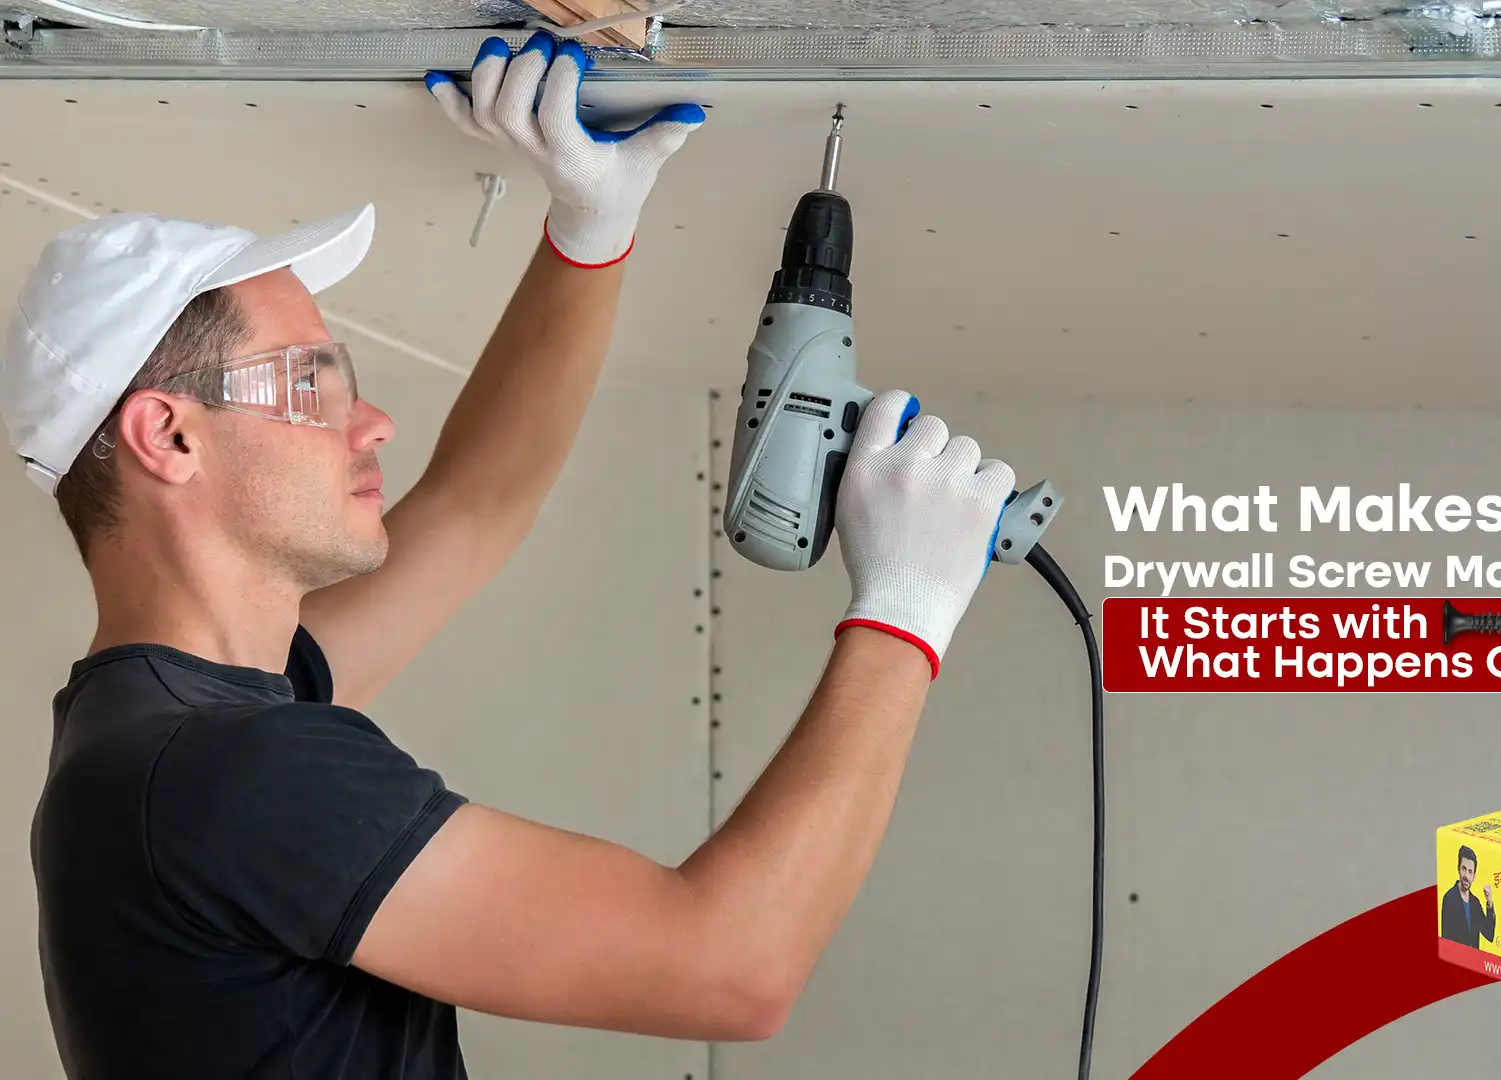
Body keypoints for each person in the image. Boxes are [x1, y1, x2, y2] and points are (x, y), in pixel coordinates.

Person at [3, 34, 1015, 1080]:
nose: (374, 424)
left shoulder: (160, 736)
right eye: (311, 386)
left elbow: (474, 510)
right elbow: (731, 965)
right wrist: (907, 607)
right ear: (169, 437)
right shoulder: (231, 773)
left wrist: (590, 229)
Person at [1439, 844, 1496, 949]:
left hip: (1473, 962)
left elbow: (1489, 934)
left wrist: (1489, 902)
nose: (1466, 876)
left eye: (1470, 872)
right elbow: (1446, 942)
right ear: (1458, 869)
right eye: (1464, 869)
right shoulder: (1449, 898)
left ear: (1474, 876)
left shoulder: (1475, 902)